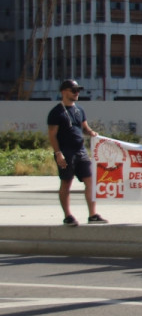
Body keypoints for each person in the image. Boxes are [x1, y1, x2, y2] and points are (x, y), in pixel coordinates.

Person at [47, 79, 107, 226]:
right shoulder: (56, 112)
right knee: (66, 183)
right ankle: (68, 216)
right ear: (64, 92)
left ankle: (92, 214)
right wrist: (58, 153)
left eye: (78, 90)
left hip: (80, 151)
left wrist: (91, 132)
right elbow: (52, 135)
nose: (77, 93)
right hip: (66, 152)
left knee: (91, 181)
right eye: (73, 90)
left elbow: (84, 127)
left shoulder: (79, 109)